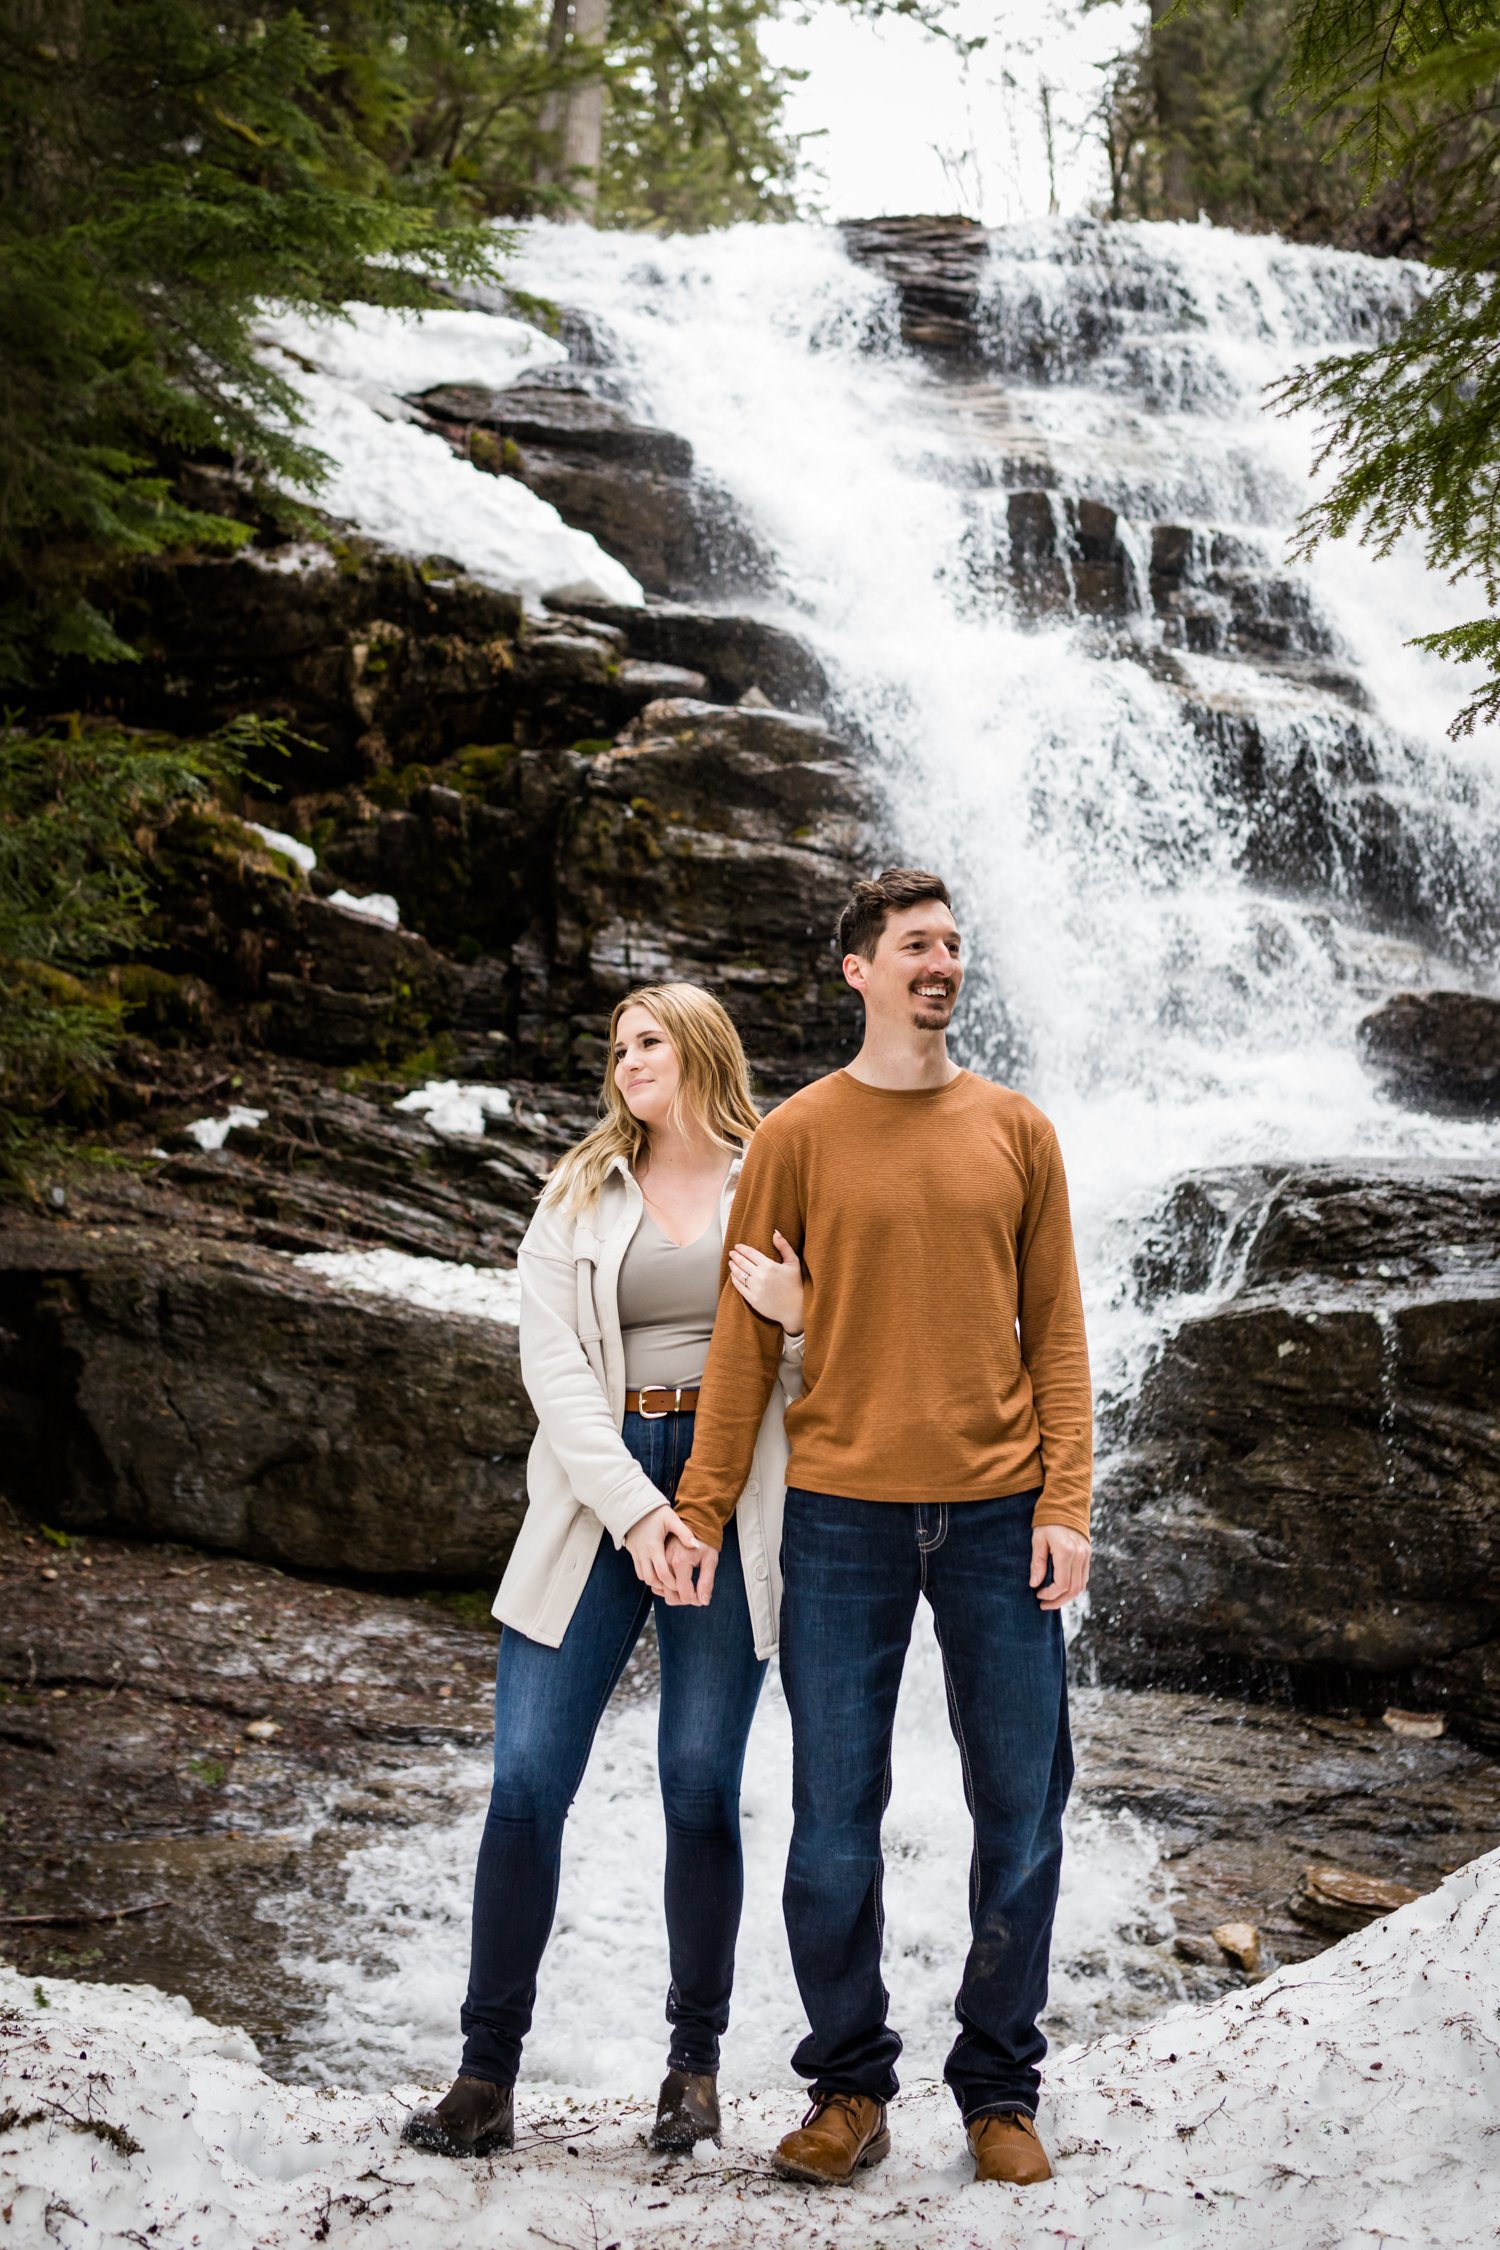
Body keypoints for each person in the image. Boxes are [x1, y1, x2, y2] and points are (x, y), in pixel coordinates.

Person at [667, 869, 1092, 2190]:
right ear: (858, 967)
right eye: (917, 944)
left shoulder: (1018, 1129)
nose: (943, 963)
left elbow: (1061, 1329)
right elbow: (743, 1343)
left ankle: (999, 2086)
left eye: (956, 944)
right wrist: (699, 1509)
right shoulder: (794, 1136)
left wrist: (1068, 1501)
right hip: (843, 1516)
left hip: (999, 1514)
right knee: (834, 1819)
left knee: (1020, 1807)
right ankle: (849, 2084)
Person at [403, 983, 805, 2162]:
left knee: (697, 1782)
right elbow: (555, 1378)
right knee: (526, 1779)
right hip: (597, 1495)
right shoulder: (577, 1191)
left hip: (735, 1489)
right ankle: (484, 2078)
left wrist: (803, 1307)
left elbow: (833, 1354)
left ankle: (694, 2072)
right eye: (617, 1046)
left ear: (700, 1050)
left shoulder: (773, 1175)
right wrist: (640, 1513)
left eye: (648, 1041)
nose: (627, 1060)